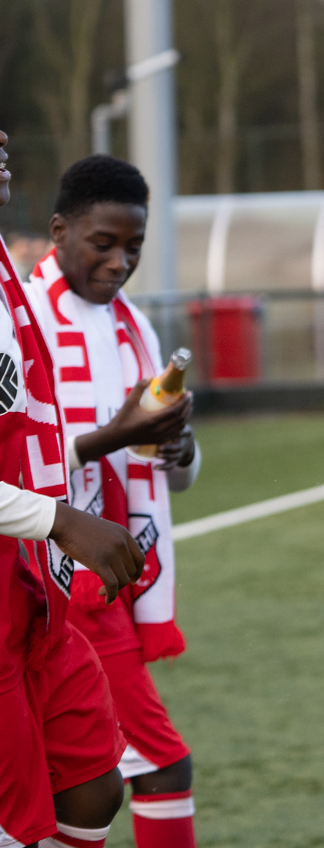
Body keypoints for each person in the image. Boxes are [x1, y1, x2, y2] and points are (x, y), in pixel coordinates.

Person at [24, 156, 202, 848]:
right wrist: (112, 438)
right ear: (60, 231)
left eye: (134, 247)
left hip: (114, 581)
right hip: (51, 577)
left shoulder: (136, 327)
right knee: (158, 766)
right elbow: (25, 461)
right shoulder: (24, 317)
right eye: (104, 243)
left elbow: (166, 469)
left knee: (76, 784)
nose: (120, 262)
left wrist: (181, 453)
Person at [0, 129, 146, 848]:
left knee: (93, 788)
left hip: (37, 590)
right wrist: (58, 518)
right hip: (25, 567)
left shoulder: (4, 265)